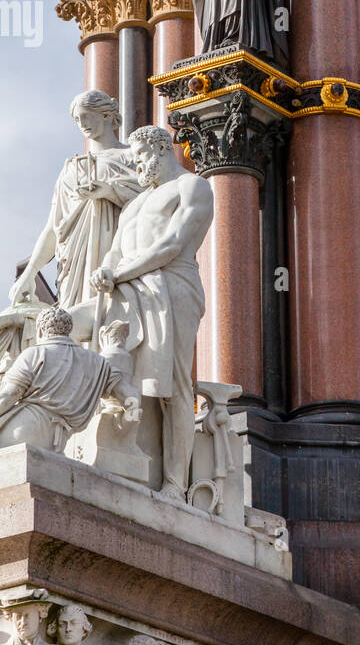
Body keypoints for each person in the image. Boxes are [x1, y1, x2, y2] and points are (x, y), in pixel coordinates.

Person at [88, 125, 214, 499]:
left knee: (174, 384)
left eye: (141, 156)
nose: (138, 164)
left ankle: (174, 483)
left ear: (160, 149)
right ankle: (123, 458)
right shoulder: (135, 204)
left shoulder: (191, 186)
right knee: (111, 361)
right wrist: (104, 271)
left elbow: (172, 244)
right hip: (128, 288)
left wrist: (118, 273)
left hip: (172, 285)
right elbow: (115, 251)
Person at [9, 91, 139, 312]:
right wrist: (30, 272)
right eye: (78, 119)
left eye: (87, 116)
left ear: (107, 115)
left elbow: (152, 205)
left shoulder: (131, 157)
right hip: (75, 264)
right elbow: (53, 228)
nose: (82, 124)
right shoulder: (71, 169)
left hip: (116, 255)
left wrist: (110, 191)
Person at [0, 305, 139, 451]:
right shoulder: (98, 363)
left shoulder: (35, 353)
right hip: (57, 441)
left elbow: (9, 395)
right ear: (68, 331)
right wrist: (129, 418)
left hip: (20, 433)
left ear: (40, 331)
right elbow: (130, 396)